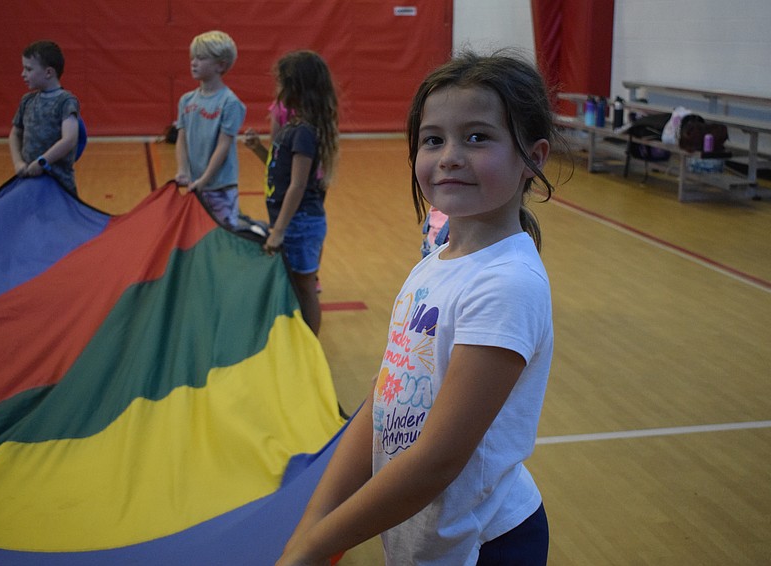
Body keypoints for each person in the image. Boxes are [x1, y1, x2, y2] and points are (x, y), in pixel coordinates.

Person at [275, 49, 556, 566]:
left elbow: (437, 460)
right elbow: (383, 398)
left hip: (484, 543)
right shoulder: (435, 262)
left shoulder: (506, 285)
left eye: (477, 137)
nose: (450, 155)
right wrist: (312, 521)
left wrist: (320, 543)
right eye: (434, 139)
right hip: (422, 533)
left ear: (533, 158)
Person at [243, 50, 338, 336]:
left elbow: (297, 185)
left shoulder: (304, 132)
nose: (277, 87)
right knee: (296, 283)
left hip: (300, 223)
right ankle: (300, 340)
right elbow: (280, 170)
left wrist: (279, 230)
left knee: (305, 285)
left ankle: (310, 347)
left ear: (295, 87)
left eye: (281, 81)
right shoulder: (292, 129)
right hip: (291, 222)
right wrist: (258, 148)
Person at [175, 30, 246, 228]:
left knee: (224, 236)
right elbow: (181, 138)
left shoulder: (230, 103)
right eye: (192, 58)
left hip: (220, 186)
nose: (193, 63)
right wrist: (183, 170)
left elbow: (224, 146)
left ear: (220, 65)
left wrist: (205, 179)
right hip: (195, 185)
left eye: (201, 58)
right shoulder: (186, 100)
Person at [9, 40, 81, 194]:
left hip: (60, 186)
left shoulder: (66, 102)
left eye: (28, 69)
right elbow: (15, 133)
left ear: (48, 72)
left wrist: (43, 162)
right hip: (30, 182)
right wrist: (18, 163)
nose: (23, 74)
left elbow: (69, 139)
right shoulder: (27, 101)